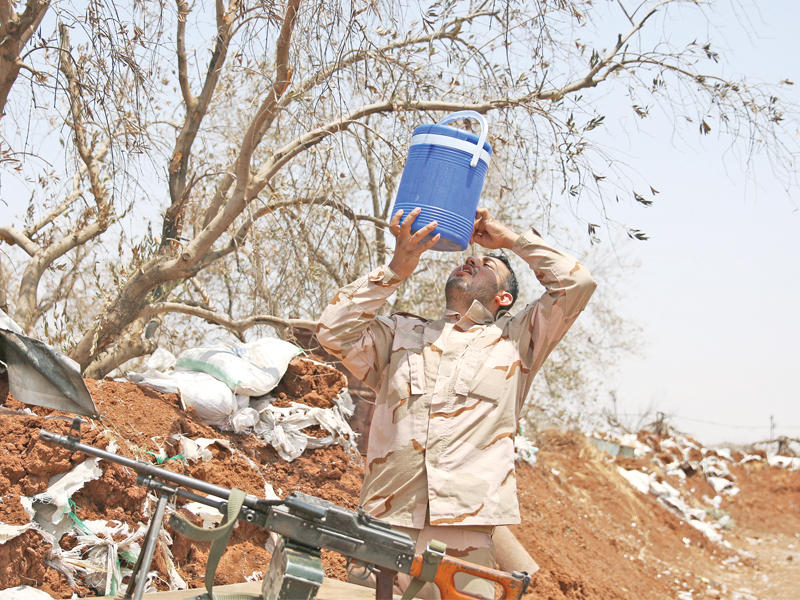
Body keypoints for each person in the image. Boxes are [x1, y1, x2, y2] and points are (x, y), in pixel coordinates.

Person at [316, 207, 596, 598]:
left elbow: (577, 283)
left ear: (503, 297)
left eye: (487, 265)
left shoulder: (516, 342)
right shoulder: (401, 334)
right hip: (383, 524)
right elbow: (332, 332)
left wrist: (511, 241)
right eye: (470, 257)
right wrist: (397, 268)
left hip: (464, 535)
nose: (472, 259)